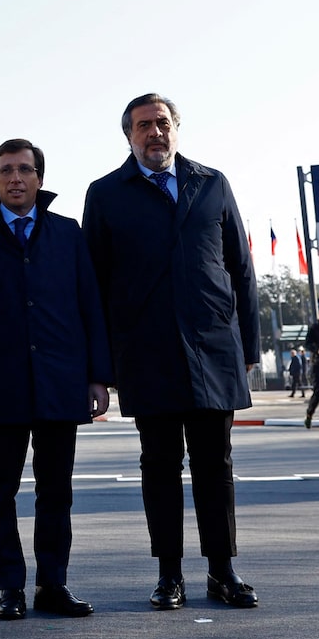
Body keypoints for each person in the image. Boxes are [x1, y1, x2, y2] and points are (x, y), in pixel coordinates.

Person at [82, 93, 259, 612]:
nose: (154, 133)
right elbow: (93, 283)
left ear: (176, 129)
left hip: (212, 350)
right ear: (129, 136)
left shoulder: (212, 184)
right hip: (146, 352)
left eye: (162, 123)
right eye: (143, 126)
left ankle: (223, 572)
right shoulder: (106, 194)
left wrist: (246, 347)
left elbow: (241, 269)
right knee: (159, 465)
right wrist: (101, 363)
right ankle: (169, 575)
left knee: (215, 465)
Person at [0, 138, 112, 622]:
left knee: (55, 491)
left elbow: (90, 304)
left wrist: (97, 377)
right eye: (5, 171)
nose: (15, 179)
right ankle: (10, 588)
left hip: (61, 381)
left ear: (40, 177)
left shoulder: (67, 232)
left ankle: (52, 584)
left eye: (24, 170)